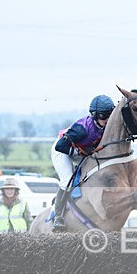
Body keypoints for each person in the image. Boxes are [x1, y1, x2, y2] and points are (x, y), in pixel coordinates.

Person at [50, 94, 115, 231]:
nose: (108, 120)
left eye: (110, 115)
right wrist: (79, 153)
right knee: (67, 180)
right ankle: (58, 215)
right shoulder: (82, 129)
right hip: (63, 150)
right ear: (95, 115)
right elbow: (60, 146)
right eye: (104, 116)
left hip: (81, 149)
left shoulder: (105, 127)